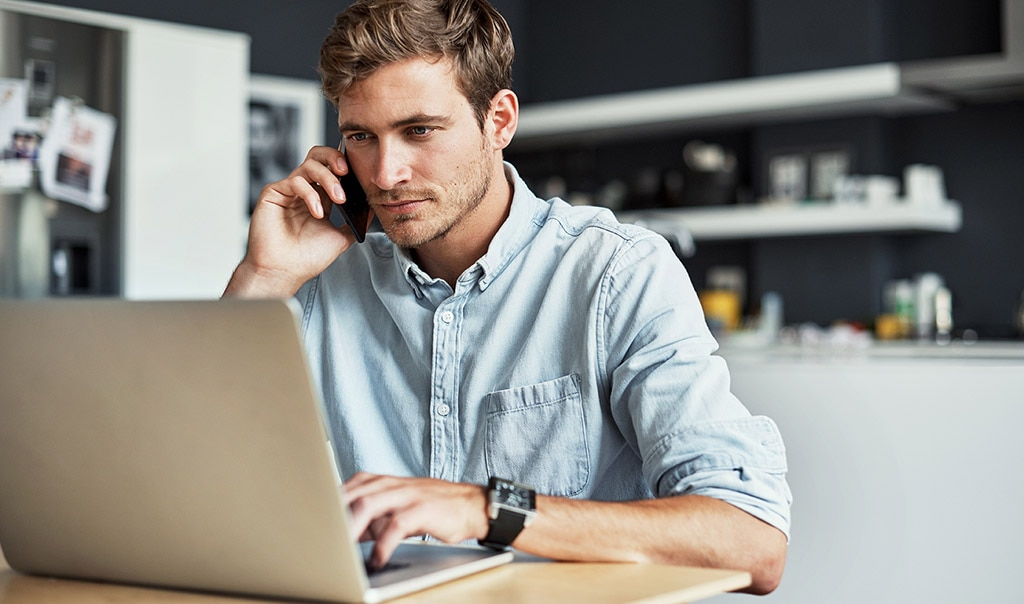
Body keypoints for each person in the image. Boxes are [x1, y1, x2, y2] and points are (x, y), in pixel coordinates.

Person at [224, 0, 791, 594]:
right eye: (361, 137)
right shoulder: (317, 281)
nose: (386, 173)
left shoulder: (617, 273)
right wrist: (264, 276)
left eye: (419, 130)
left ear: (499, 121)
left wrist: (488, 509)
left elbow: (751, 541)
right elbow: (187, 477)